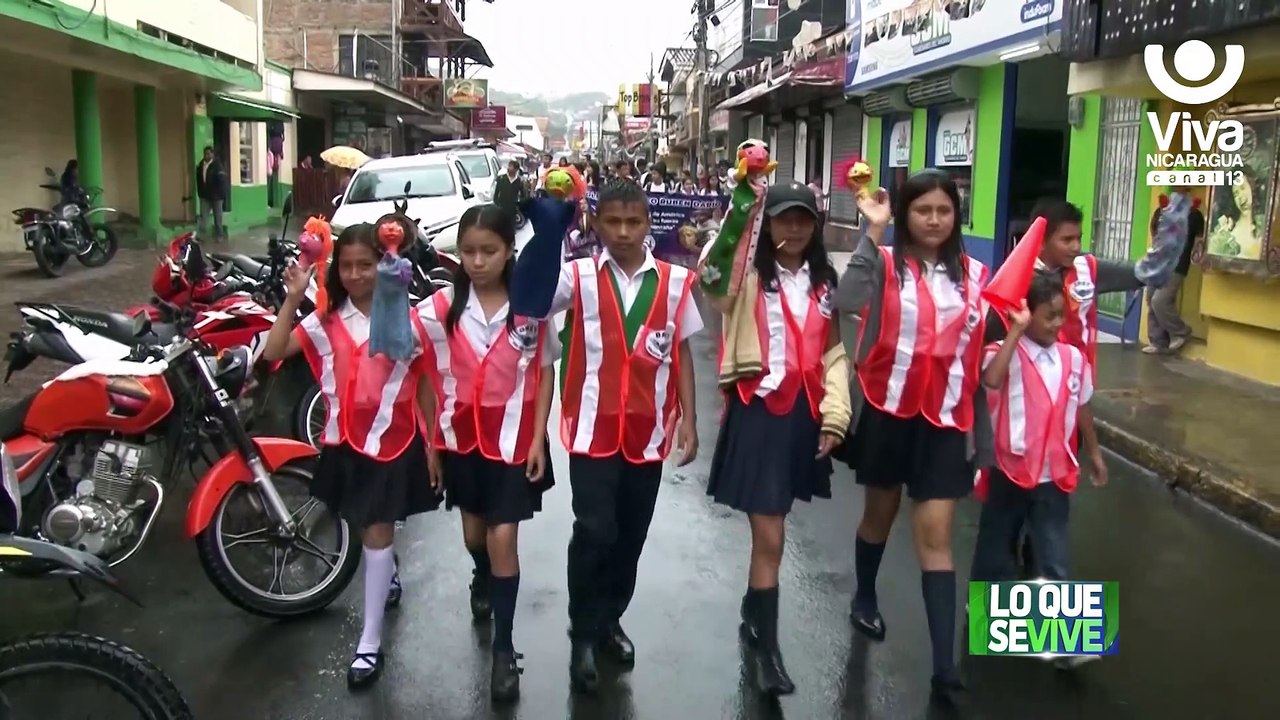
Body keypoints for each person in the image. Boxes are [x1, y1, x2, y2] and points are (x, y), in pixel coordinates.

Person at [510, 179, 702, 694]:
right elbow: (528, 297)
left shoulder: (676, 282)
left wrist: (690, 417)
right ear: (595, 222)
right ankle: (583, 633)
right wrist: (549, 229)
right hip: (591, 429)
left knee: (631, 535)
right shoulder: (575, 278)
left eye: (632, 222)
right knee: (595, 529)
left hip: (649, 429)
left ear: (647, 224)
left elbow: (681, 351)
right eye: (611, 221)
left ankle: (611, 618)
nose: (621, 232)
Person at [263, 223, 441, 690]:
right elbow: (274, 350)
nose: (358, 274)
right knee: (367, 526)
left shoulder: (410, 318)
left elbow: (423, 383)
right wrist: (294, 295)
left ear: (385, 264)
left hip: (395, 440)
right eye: (347, 266)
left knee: (377, 530)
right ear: (336, 270)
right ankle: (390, 575)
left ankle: (369, 642)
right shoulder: (324, 321)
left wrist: (433, 441)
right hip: (344, 442)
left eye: (366, 264)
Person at [834, 170, 990, 705]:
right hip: (887, 410)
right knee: (879, 516)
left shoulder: (977, 275)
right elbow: (844, 299)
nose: (933, 220)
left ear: (956, 216)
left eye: (943, 210)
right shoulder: (882, 264)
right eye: (922, 210)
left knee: (936, 538)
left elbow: (988, 346)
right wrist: (871, 231)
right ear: (903, 213)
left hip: (945, 421)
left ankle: (945, 667)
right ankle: (864, 594)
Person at [703, 182, 851, 696]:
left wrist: (835, 413)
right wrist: (741, 210)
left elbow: (833, 352)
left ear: (816, 225)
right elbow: (712, 277)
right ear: (767, 225)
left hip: (802, 417)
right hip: (759, 412)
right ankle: (768, 652)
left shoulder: (825, 281)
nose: (793, 228)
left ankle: (754, 610)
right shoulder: (747, 276)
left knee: (777, 524)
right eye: (783, 219)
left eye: (803, 220)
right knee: (770, 536)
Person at [416, 205, 557, 702]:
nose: (477, 261)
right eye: (467, 252)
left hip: (514, 442)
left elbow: (544, 373)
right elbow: (424, 378)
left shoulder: (531, 306)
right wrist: (432, 442)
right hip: (461, 443)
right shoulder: (438, 310)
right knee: (475, 536)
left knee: (503, 539)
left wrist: (539, 438)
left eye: (488, 251)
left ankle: (504, 649)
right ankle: (481, 577)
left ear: (509, 251)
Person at [970, 271, 1108, 667]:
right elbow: (991, 380)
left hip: (1054, 473)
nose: (1056, 324)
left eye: (1060, 315)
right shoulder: (1002, 351)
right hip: (1008, 469)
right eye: (1048, 316)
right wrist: (1015, 332)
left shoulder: (1073, 358)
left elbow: (1081, 406)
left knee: (1053, 549)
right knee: (996, 543)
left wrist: (1093, 453)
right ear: (1027, 314)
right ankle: (984, 613)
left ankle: (1065, 643)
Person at [1144, 196, 1203, 354]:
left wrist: (1200, 255)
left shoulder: (1194, 215)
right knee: (1150, 297)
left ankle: (1181, 332)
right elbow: (1155, 234)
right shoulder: (1161, 210)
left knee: (1160, 301)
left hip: (1177, 265)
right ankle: (1158, 341)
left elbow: (1199, 241)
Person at [197, 146, 228, 241]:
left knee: (218, 217)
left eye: (208, 154)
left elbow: (222, 181)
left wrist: (221, 195)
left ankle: (219, 235)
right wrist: (200, 193)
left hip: (217, 196)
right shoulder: (201, 165)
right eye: (205, 154)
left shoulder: (217, 165)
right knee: (203, 217)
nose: (206, 155)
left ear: (212, 154)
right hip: (205, 196)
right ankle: (201, 236)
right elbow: (199, 180)